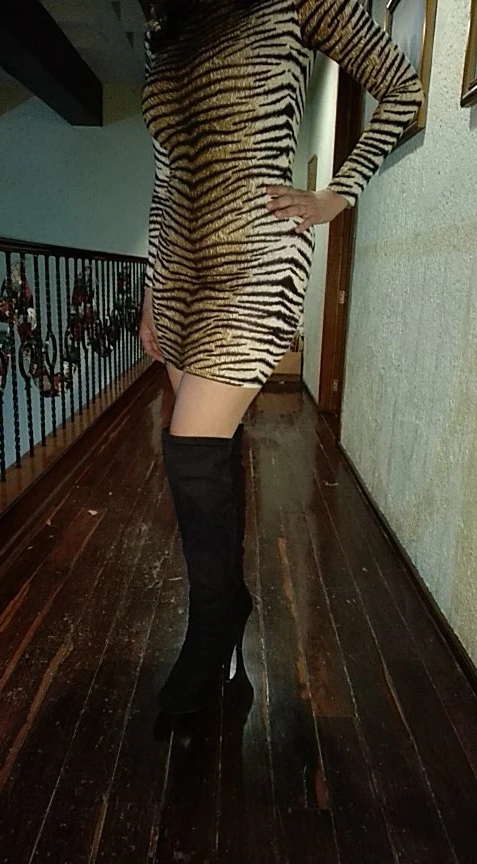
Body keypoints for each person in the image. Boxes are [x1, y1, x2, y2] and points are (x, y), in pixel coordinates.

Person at [139, 0, 424, 717]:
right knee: (211, 448)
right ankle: (227, 610)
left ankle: (210, 628)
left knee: (190, 448)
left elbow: (402, 88)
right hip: (178, 269)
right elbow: (165, 172)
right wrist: (149, 292)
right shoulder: (165, 22)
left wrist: (335, 195)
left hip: (252, 262)